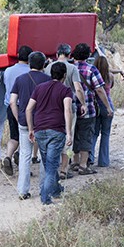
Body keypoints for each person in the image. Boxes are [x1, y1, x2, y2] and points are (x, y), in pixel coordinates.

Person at [25, 62, 73, 204]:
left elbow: (28, 109)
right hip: (56, 130)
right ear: (64, 75)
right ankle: (45, 198)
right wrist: (69, 133)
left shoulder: (39, 88)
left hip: (40, 129)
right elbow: (67, 110)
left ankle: (56, 189)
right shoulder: (65, 90)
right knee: (51, 167)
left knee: (48, 163)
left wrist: (30, 128)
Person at [9, 51, 51, 199]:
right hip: (43, 122)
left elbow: (13, 101)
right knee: (44, 155)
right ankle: (44, 188)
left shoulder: (20, 79)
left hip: (24, 121)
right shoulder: (48, 79)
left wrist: (17, 116)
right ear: (44, 64)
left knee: (25, 155)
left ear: (28, 62)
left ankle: (22, 190)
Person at [44, 43, 86, 180]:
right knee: (69, 137)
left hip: (52, 107)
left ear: (57, 55)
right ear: (69, 55)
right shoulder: (72, 68)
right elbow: (78, 88)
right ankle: (64, 169)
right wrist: (83, 103)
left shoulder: (48, 67)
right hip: (69, 105)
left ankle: (52, 168)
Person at [70, 43, 113, 175]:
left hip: (69, 108)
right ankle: (84, 165)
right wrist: (107, 107)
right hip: (87, 107)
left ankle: (75, 162)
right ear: (88, 55)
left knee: (73, 134)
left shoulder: (68, 68)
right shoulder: (91, 69)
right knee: (86, 135)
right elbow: (99, 89)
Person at [1, 45, 32, 176]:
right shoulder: (30, 71)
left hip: (10, 105)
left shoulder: (7, 71)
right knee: (26, 136)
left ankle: (8, 156)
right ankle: (23, 167)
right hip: (26, 107)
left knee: (14, 135)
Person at [89, 55, 115, 166]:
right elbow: (111, 87)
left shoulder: (92, 76)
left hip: (95, 105)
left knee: (94, 133)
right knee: (105, 133)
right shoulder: (110, 76)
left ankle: (89, 158)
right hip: (107, 105)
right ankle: (103, 161)